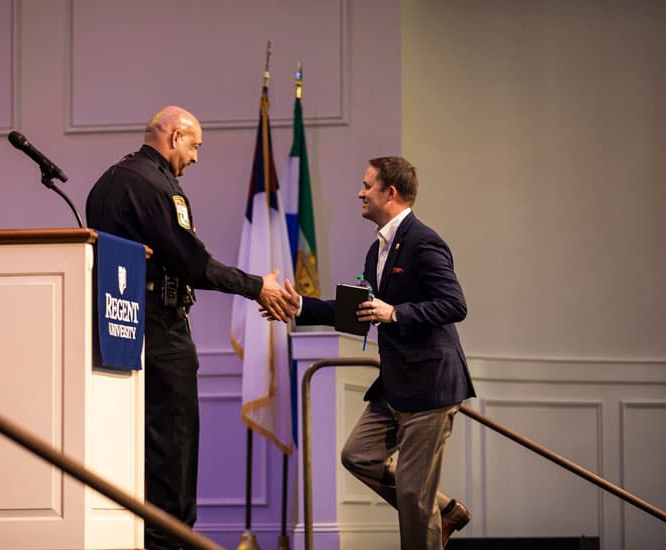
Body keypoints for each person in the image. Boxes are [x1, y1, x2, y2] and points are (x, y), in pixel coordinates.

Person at [85, 105, 296, 549]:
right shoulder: (158, 187)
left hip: (115, 333)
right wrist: (258, 286)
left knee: (129, 454)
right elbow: (193, 263)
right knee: (173, 456)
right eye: (195, 145)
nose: (196, 157)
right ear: (175, 136)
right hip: (162, 334)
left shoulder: (106, 183)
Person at [281, 156, 475, 549]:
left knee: (412, 498)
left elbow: (455, 305)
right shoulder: (377, 251)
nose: (360, 192)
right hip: (395, 385)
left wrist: (395, 312)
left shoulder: (425, 242)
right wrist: (299, 306)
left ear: (391, 192)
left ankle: (434, 512)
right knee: (358, 455)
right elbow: (359, 312)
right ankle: (446, 509)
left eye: (368, 185)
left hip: (430, 386)